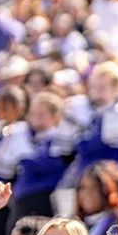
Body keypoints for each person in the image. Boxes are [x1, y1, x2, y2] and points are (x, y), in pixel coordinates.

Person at [10, 91, 73, 224]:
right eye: (33, 114)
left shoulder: (60, 139)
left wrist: (24, 160)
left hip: (43, 203)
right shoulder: (27, 138)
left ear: (55, 116)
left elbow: (49, 166)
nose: (36, 118)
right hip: (21, 203)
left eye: (41, 114)